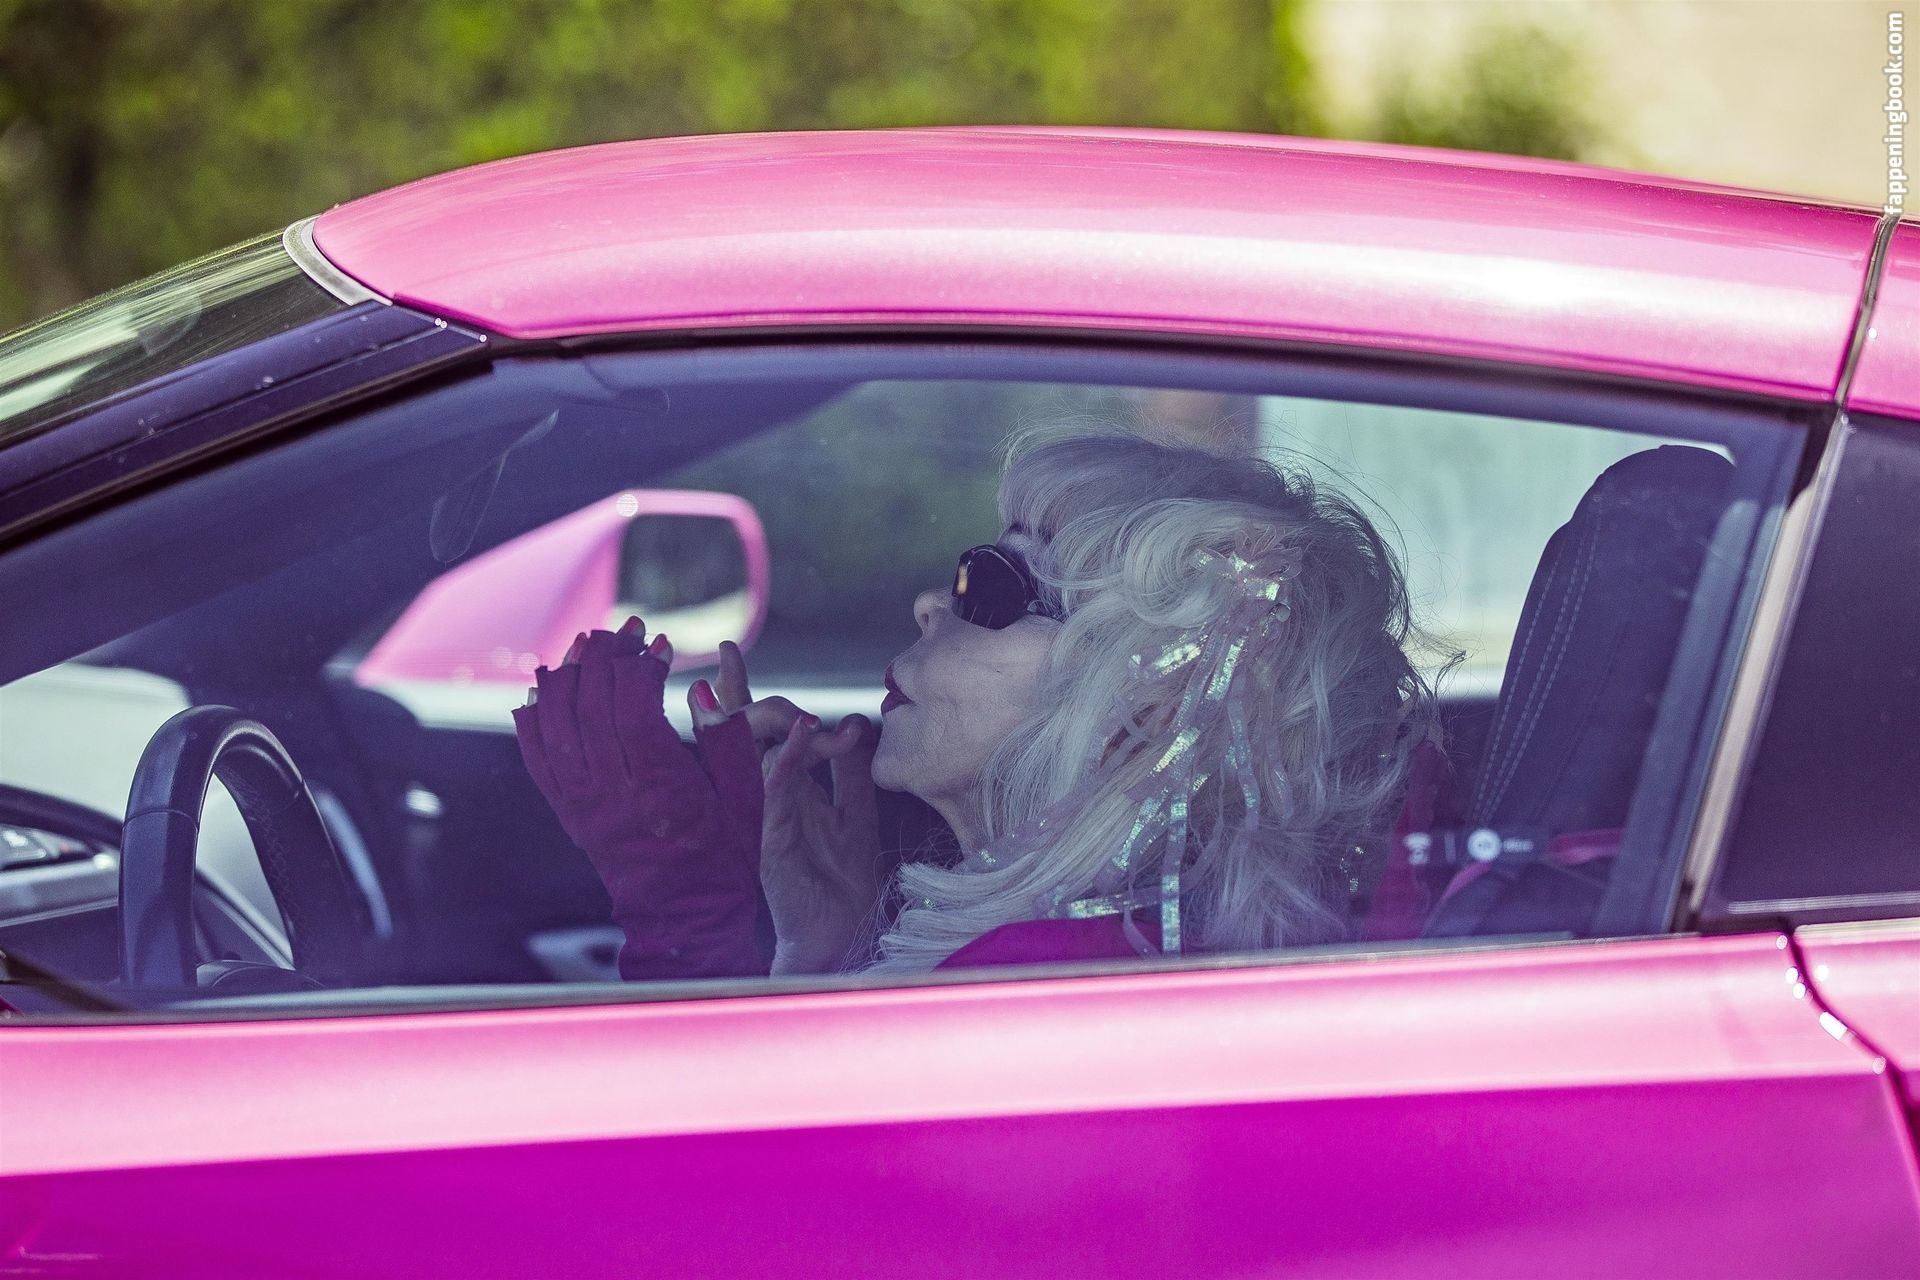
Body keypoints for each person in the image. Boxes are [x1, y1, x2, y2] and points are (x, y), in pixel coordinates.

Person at [512, 425, 1436, 981]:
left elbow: (724, 1214)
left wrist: (681, 917)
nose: (932, 603)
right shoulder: (1092, 958)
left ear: (1143, 708)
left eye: (990, 583)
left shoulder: (1046, 984)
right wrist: (824, 952)